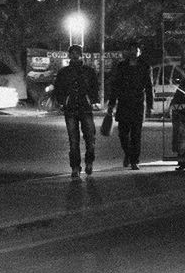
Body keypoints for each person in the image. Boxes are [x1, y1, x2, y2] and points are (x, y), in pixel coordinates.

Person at [52, 44, 100, 177]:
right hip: (71, 109)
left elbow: (95, 86)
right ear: (69, 55)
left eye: (77, 53)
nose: (75, 55)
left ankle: (89, 162)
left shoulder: (88, 71)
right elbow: (58, 89)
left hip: (85, 108)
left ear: (81, 54)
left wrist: (92, 99)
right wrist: (63, 101)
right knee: (73, 140)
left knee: (90, 138)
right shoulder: (64, 72)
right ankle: (75, 167)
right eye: (72, 53)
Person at [106, 40, 154, 169]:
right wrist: (111, 103)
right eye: (131, 49)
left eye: (136, 50)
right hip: (124, 103)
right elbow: (116, 85)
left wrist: (150, 105)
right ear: (128, 51)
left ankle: (134, 160)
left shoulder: (145, 66)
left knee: (136, 134)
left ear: (139, 52)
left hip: (138, 103)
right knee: (122, 134)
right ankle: (128, 153)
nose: (134, 52)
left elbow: (149, 86)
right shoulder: (122, 66)